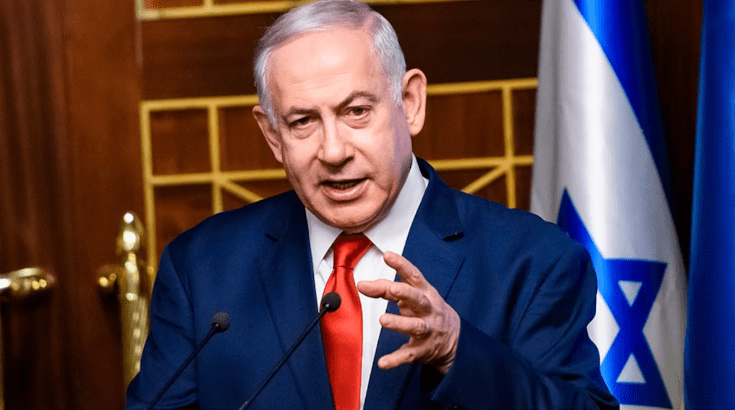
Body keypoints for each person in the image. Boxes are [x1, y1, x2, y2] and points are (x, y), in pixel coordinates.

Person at [125, 1, 618, 409]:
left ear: (410, 103)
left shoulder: (534, 260)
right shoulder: (201, 268)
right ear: (273, 136)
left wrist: (456, 350)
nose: (333, 150)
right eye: (302, 122)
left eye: (356, 111)